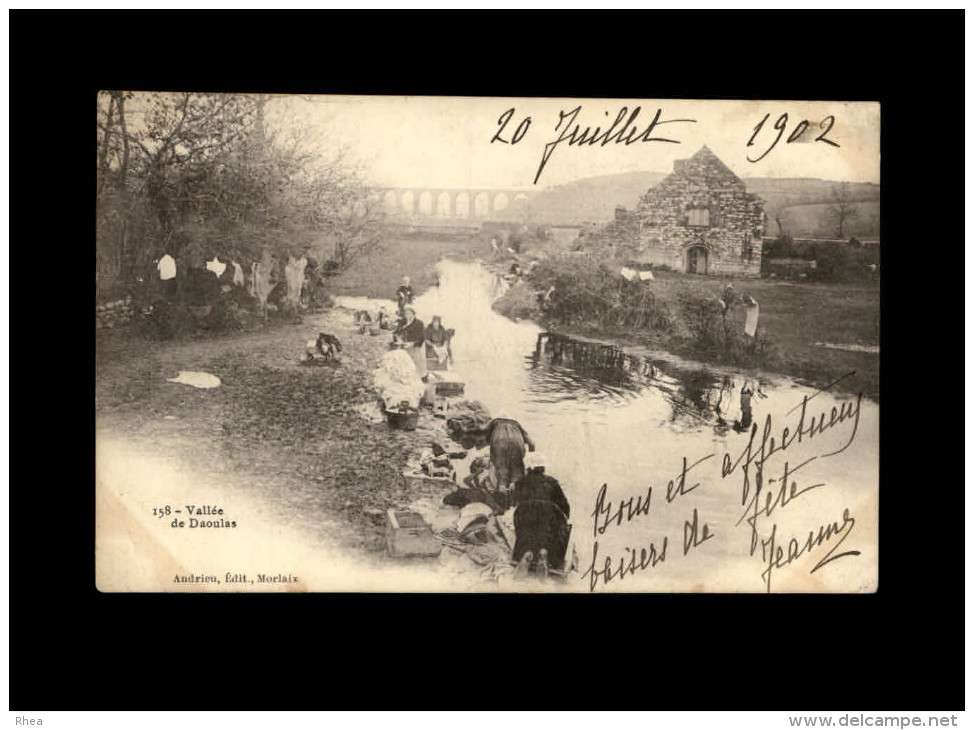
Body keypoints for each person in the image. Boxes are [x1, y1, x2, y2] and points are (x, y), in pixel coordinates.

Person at [511, 452, 572, 577]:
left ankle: (527, 552)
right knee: (552, 534)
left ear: (528, 467)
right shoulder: (552, 482)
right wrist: (564, 519)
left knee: (526, 533)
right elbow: (565, 506)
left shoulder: (520, 483)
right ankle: (545, 552)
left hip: (524, 515)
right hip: (549, 516)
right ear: (543, 467)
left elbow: (514, 502)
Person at [485, 413, 536, 492]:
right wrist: (530, 459)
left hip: (499, 443)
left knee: (502, 470)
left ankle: (502, 489)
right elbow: (532, 444)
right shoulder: (517, 425)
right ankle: (515, 489)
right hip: (517, 444)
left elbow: (485, 437)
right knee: (517, 470)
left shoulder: (494, 423)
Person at [393, 306, 426, 376]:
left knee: (415, 364)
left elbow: (422, 338)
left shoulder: (419, 323)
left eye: (409, 314)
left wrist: (412, 343)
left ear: (414, 314)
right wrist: (399, 339)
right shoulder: (402, 322)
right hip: (404, 345)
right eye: (406, 314)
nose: (407, 315)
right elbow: (395, 332)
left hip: (416, 346)